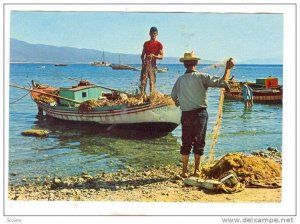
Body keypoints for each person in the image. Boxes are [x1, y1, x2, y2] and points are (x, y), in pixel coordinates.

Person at [171, 51, 234, 178]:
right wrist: (227, 69)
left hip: (186, 115)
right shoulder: (202, 77)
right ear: (196, 63)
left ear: (184, 65)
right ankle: (196, 170)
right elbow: (222, 83)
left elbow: (173, 96)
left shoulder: (180, 80)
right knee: (199, 142)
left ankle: (184, 171)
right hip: (200, 114)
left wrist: (179, 102)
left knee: (186, 142)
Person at [139, 26, 164, 99]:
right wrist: (143, 62)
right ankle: (142, 97)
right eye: (152, 33)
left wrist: (154, 56)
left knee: (152, 83)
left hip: (153, 65)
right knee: (143, 82)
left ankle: (151, 98)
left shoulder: (159, 44)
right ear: (149, 33)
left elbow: (162, 57)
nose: (153, 35)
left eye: (155, 33)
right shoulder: (146, 44)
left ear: (157, 34)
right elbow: (142, 55)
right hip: (146, 65)